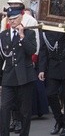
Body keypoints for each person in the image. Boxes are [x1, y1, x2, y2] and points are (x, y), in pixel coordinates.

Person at [0, 7, 38, 136]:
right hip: (8, 77)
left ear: (21, 18)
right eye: (10, 19)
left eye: (15, 18)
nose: (12, 21)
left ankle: (24, 134)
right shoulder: (3, 35)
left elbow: (32, 51)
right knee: (4, 108)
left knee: (25, 111)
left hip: (25, 76)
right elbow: (2, 57)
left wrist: (22, 36)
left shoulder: (29, 33)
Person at [38, 29, 65, 136]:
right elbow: (43, 51)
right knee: (50, 94)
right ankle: (59, 120)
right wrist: (42, 69)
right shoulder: (47, 31)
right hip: (53, 67)